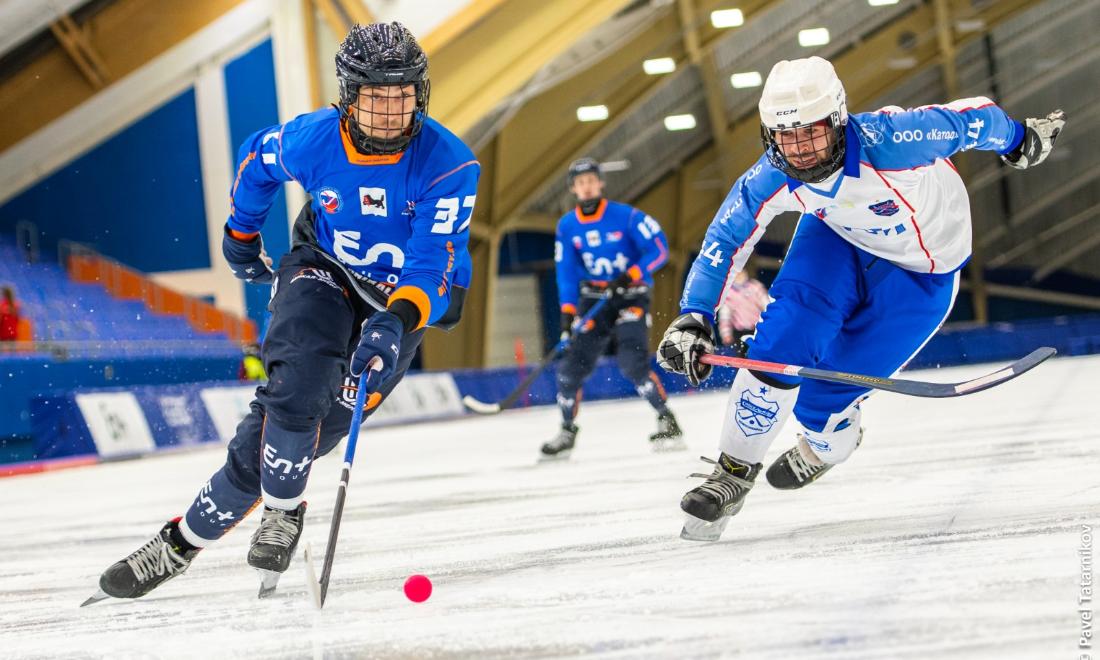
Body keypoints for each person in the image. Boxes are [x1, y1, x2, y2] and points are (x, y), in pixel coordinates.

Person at [88, 22, 479, 602]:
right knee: (294, 391)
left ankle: (179, 543)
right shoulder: (312, 139)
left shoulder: (449, 164)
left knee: (295, 439)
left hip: (404, 302)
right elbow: (256, 162)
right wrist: (241, 233)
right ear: (348, 96)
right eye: (376, 97)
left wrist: (395, 322)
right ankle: (285, 512)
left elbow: (431, 267)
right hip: (323, 267)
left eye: (402, 96)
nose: (392, 113)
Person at [657, 56, 1064, 541]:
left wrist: (1020, 139)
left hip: (922, 275)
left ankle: (826, 447)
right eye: (784, 138)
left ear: (838, 120)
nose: (800, 151)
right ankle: (731, 473)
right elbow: (724, 240)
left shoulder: (896, 138)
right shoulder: (772, 173)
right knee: (780, 344)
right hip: (836, 243)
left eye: (810, 133)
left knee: (819, 406)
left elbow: (974, 118)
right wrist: (693, 315)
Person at [541, 157, 683, 460]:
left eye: (592, 180)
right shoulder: (567, 226)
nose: (587, 186)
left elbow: (659, 249)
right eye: (581, 182)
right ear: (574, 188)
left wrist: (631, 275)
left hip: (630, 296)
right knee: (569, 370)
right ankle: (566, 430)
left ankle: (666, 417)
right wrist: (568, 312)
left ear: (601, 183)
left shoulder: (627, 216)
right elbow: (565, 271)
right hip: (594, 301)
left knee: (632, 362)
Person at [716, 264, 769, 350]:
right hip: (740, 332)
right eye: (735, 274)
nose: (739, 275)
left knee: (759, 353)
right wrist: (726, 334)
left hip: (757, 329)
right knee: (741, 355)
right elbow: (725, 317)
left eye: (741, 272)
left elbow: (767, 305)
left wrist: (769, 325)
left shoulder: (755, 286)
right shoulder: (728, 294)